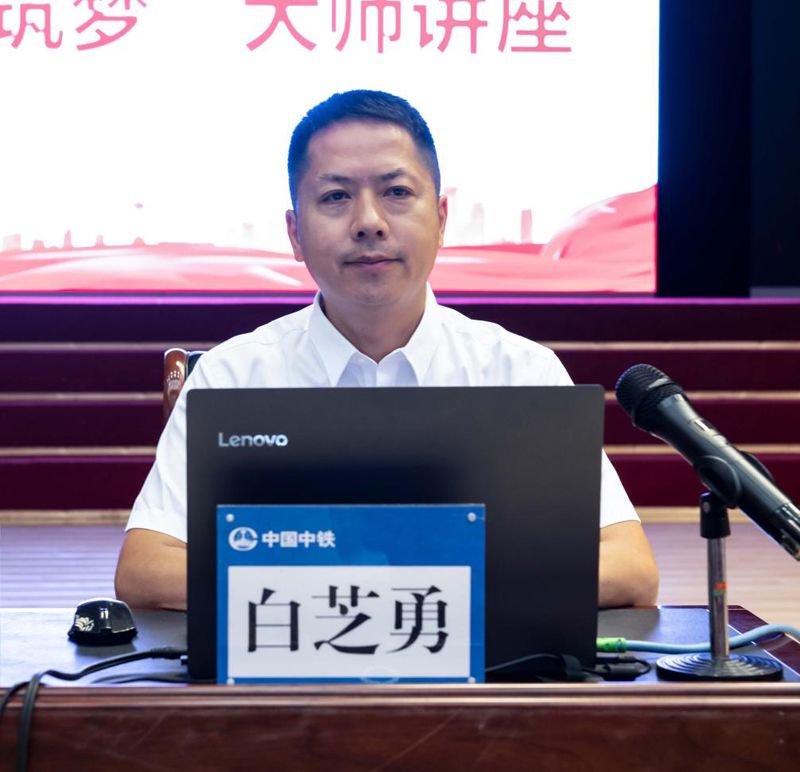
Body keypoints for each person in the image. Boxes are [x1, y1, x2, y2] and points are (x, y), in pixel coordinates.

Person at [115, 90, 658, 611]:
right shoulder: (234, 378)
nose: (369, 222)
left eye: (396, 192)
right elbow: (146, 571)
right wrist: (412, 583)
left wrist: (360, 584)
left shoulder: (517, 373)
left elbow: (628, 569)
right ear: (295, 233)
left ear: (440, 219)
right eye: (335, 197)